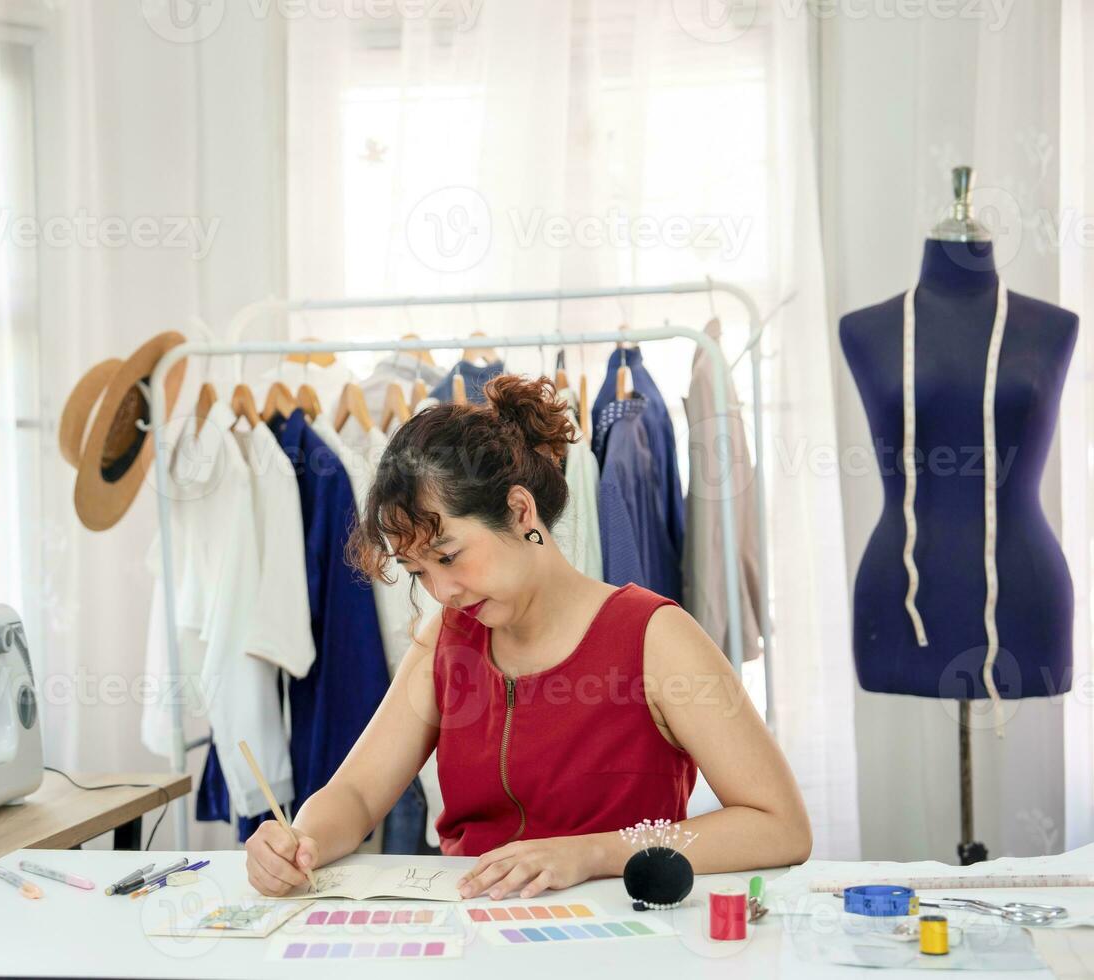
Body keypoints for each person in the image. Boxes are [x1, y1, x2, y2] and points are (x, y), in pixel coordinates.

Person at [245, 374, 810, 901]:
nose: (441, 591)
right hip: (476, 938)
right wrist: (301, 839)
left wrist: (594, 853)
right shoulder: (445, 639)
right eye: (420, 572)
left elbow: (779, 826)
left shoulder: (656, 637)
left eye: (449, 556)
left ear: (520, 511)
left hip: (618, 939)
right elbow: (359, 794)